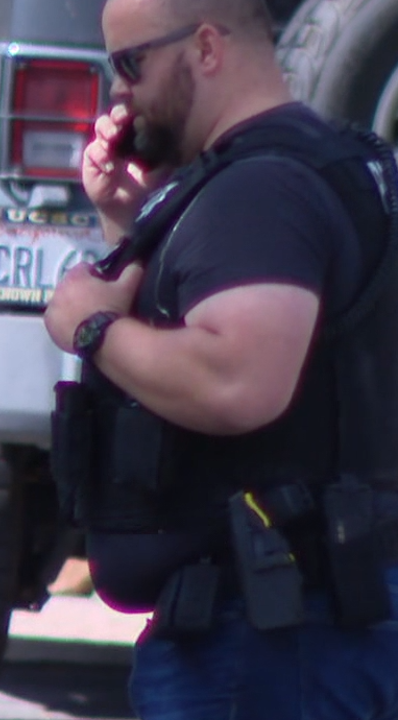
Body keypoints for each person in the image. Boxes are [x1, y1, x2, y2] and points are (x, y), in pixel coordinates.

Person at [44, 0, 398, 718]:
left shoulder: (260, 191)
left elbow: (239, 381)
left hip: (270, 636)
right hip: (312, 617)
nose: (119, 92)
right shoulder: (333, 165)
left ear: (206, 48)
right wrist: (133, 223)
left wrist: (92, 327)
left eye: (131, 64)